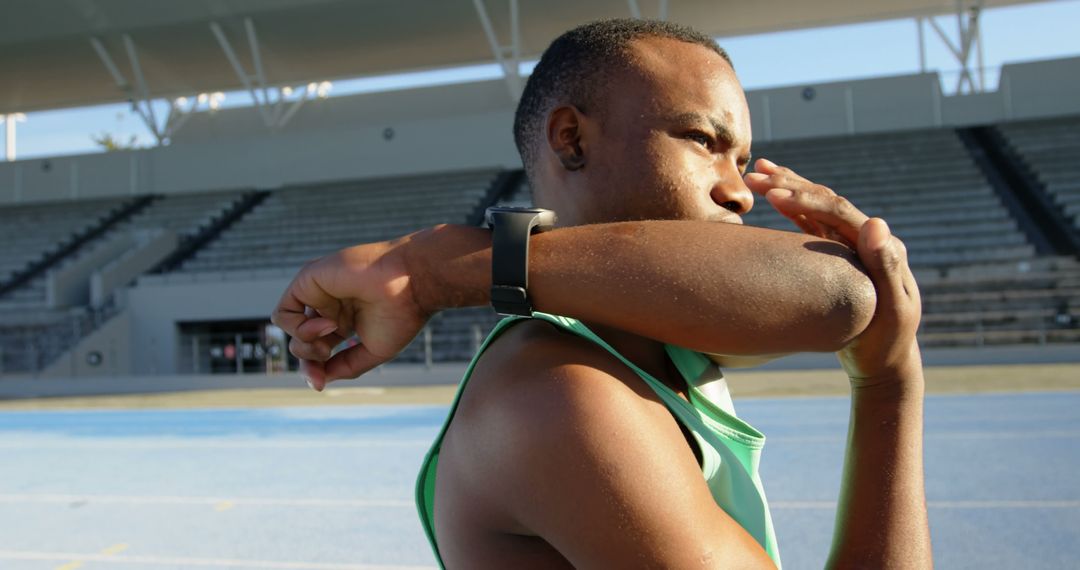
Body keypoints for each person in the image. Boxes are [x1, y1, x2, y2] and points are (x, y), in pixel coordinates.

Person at [272, 19, 932, 569]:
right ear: (571, 139)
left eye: (743, 160)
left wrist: (888, 372)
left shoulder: (660, 354)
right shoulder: (560, 392)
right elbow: (844, 297)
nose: (739, 191)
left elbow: (833, 297)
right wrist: (888, 384)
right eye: (704, 141)